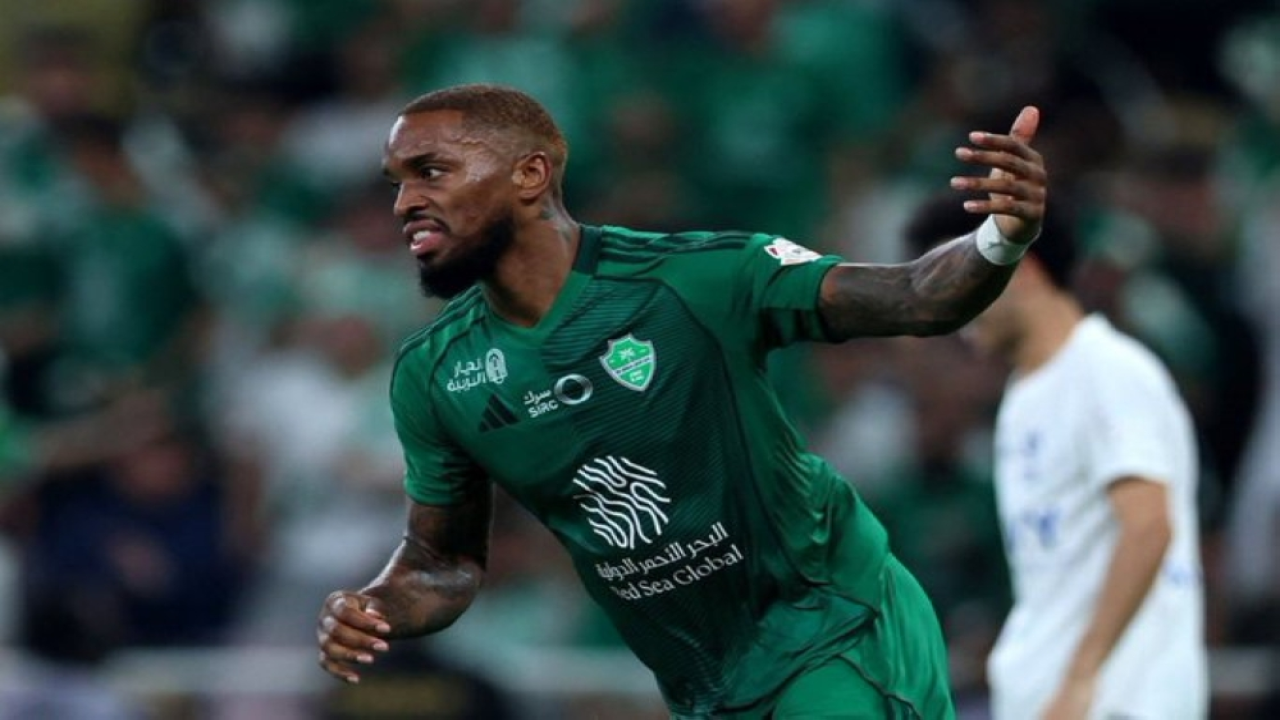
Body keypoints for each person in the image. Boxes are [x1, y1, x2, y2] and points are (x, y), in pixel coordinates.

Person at [316, 83, 1047, 719]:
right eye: (397, 183)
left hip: (835, 627)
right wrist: (377, 606)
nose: (406, 203)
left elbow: (915, 295)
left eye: (431, 172)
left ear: (530, 174)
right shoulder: (437, 373)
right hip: (706, 686)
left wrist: (999, 237)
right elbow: (441, 560)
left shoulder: (693, 279)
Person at [903, 194, 1208, 719]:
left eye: (961, 278)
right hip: (1047, 697)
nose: (950, 305)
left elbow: (1148, 526)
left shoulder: (1107, 369)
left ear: (1023, 270)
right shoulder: (1024, 397)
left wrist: (1081, 678)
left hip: (1116, 701)